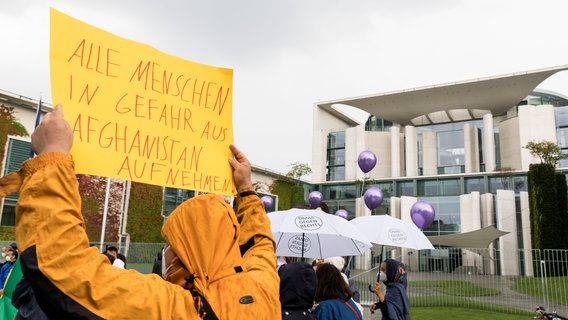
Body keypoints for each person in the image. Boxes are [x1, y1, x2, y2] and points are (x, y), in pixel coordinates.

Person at [4, 105, 281, 319]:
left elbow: (63, 266)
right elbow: (260, 242)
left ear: (188, 253)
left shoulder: (176, 307)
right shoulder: (264, 287)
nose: (167, 252)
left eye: (172, 243)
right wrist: (246, 189)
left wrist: (52, 157)